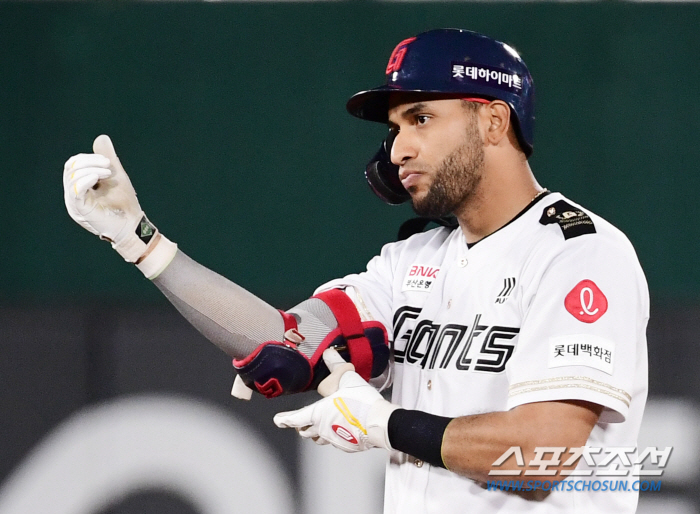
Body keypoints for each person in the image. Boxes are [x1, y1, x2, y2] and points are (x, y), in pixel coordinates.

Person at [63, 29, 649, 514]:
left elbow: (542, 456)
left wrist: (387, 424)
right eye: (395, 128)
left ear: (493, 121)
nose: (397, 150)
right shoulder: (413, 261)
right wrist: (142, 242)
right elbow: (286, 345)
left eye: (420, 118)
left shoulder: (579, 253)